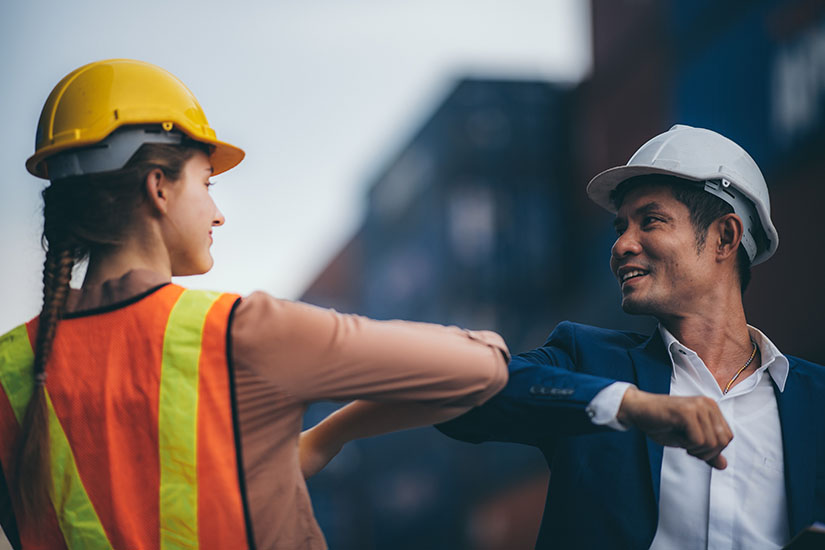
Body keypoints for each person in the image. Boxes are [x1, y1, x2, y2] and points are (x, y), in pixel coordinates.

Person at [0, 59, 509, 550]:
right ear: (158, 187)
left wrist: (314, 444)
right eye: (206, 183)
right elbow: (481, 370)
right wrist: (339, 431)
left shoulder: (10, 369)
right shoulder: (237, 333)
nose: (218, 215)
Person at [437, 125, 825, 549]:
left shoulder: (817, 401)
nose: (621, 245)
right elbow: (459, 401)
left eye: (651, 222)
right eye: (619, 227)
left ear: (724, 237)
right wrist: (628, 403)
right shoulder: (588, 362)